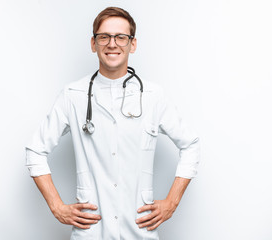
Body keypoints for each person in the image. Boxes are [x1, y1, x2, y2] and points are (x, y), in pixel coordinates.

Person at [25, 6, 200, 240]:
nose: (112, 43)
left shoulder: (153, 96)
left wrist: (172, 202)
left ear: (132, 44)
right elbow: (35, 150)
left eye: (120, 37)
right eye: (104, 36)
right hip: (91, 232)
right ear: (93, 43)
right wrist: (57, 207)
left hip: (140, 230)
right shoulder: (72, 95)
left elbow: (191, 145)